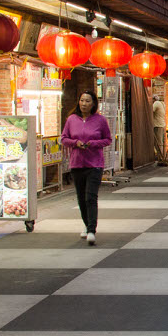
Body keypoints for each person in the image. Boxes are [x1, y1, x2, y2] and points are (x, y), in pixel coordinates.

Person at [62, 89, 113, 245]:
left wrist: (93, 144)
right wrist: (74, 143)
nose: (84, 104)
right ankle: (86, 224)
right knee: (81, 198)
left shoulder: (100, 120)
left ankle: (91, 229)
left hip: (95, 164)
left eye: (88, 101)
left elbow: (107, 139)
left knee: (91, 197)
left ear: (93, 104)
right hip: (77, 164)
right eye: (82, 100)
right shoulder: (71, 119)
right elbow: (64, 138)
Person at [151, 94, 168, 166]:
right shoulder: (162, 103)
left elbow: (150, 110)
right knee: (161, 142)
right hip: (162, 124)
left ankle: (160, 158)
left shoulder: (156, 103)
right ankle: (162, 157)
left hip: (157, 125)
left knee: (158, 143)